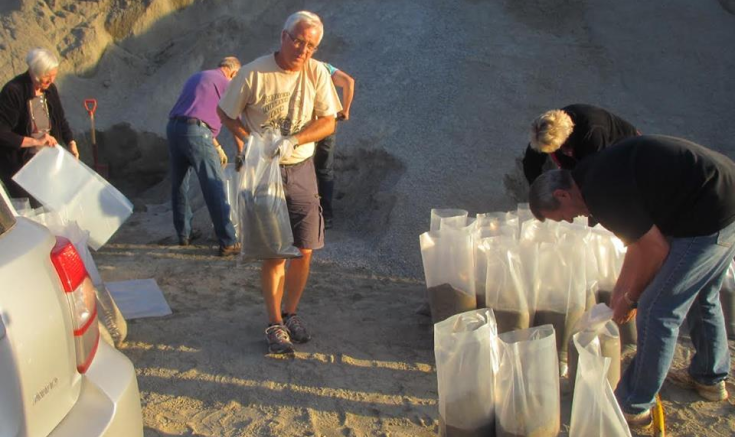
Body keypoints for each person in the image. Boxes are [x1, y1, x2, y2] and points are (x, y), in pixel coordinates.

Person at [528, 135, 734, 431]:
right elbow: (637, 244)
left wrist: (634, 298)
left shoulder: (601, 195)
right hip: (721, 192)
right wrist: (619, 293)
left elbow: (656, 250)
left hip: (708, 214)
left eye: (561, 217)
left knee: (657, 310)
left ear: (561, 195)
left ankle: (634, 406)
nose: (570, 220)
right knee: (703, 295)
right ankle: (709, 378)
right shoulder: (590, 177)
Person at [217, 11, 341, 354]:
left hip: (300, 168)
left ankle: (291, 312)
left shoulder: (316, 73)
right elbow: (225, 112)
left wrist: (296, 140)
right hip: (264, 170)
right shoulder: (253, 72)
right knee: (274, 251)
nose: (303, 49)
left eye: (311, 45)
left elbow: (328, 120)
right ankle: (273, 323)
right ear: (283, 36)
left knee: (304, 248)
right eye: (298, 40)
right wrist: (250, 140)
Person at [167, 57, 241, 254]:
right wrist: (241, 151)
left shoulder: (199, 76)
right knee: (213, 184)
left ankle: (184, 234)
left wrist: (216, 145)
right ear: (233, 73)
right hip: (197, 133)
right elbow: (235, 121)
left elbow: (195, 112)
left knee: (180, 184)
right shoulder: (226, 83)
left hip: (174, 129)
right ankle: (228, 240)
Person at [0, 48, 79, 206]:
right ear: (33, 72)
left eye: (54, 76)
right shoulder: (13, 91)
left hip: (45, 161)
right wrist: (35, 142)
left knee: (51, 204)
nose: (50, 81)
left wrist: (71, 142)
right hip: (19, 165)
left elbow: (60, 119)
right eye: (46, 77)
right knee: (29, 209)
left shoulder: (50, 90)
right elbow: (2, 133)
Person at [522, 103, 639, 184]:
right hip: (581, 149)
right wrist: (537, 190)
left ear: (564, 139)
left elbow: (595, 180)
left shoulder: (592, 134)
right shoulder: (544, 129)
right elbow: (530, 163)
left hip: (628, 155)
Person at [313, 62, 355, 229]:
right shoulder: (324, 67)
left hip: (307, 125)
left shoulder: (299, 69)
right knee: (324, 169)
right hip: (328, 122)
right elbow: (349, 82)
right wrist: (345, 110)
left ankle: (303, 212)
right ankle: (326, 216)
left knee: (301, 166)